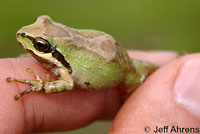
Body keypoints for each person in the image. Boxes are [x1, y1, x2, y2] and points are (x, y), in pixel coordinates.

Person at [1, 51, 199, 134]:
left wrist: (40, 86)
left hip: (121, 72)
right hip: (121, 60)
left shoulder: (63, 70)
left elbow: (66, 84)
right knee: (159, 69)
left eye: (42, 46)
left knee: (152, 88)